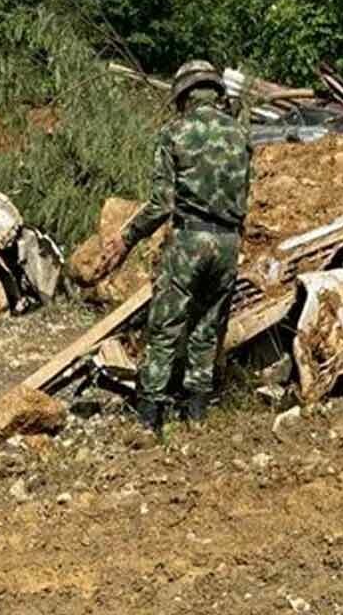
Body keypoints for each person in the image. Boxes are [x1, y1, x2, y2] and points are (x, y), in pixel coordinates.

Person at [99, 60, 252, 433]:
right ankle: (196, 412)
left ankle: (149, 414)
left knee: (166, 325)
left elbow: (162, 203)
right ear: (216, 92)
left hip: (189, 241)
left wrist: (127, 237)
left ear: (183, 95)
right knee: (207, 326)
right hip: (228, 242)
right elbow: (245, 195)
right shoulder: (241, 135)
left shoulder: (175, 134)